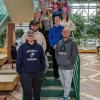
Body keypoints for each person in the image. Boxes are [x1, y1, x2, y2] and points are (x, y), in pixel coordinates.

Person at [16, 30, 45, 100]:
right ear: (27, 37)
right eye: (29, 36)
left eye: (32, 35)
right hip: (25, 74)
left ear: (34, 37)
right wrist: (21, 72)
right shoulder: (22, 47)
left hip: (37, 73)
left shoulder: (39, 47)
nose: (31, 37)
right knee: (27, 92)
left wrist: (41, 70)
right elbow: (19, 60)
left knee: (37, 92)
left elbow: (42, 59)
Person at [55, 27, 78, 100]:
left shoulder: (73, 43)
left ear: (69, 33)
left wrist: (70, 61)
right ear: (62, 33)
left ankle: (66, 96)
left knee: (67, 83)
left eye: (67, 32)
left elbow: (74, 54)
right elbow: (56, 53)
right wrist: (58, 60)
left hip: (68, 67)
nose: (65, 33)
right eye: (63, 32)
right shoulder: (59, 42)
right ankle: (66, 95)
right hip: (60, 66)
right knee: (63, 82)